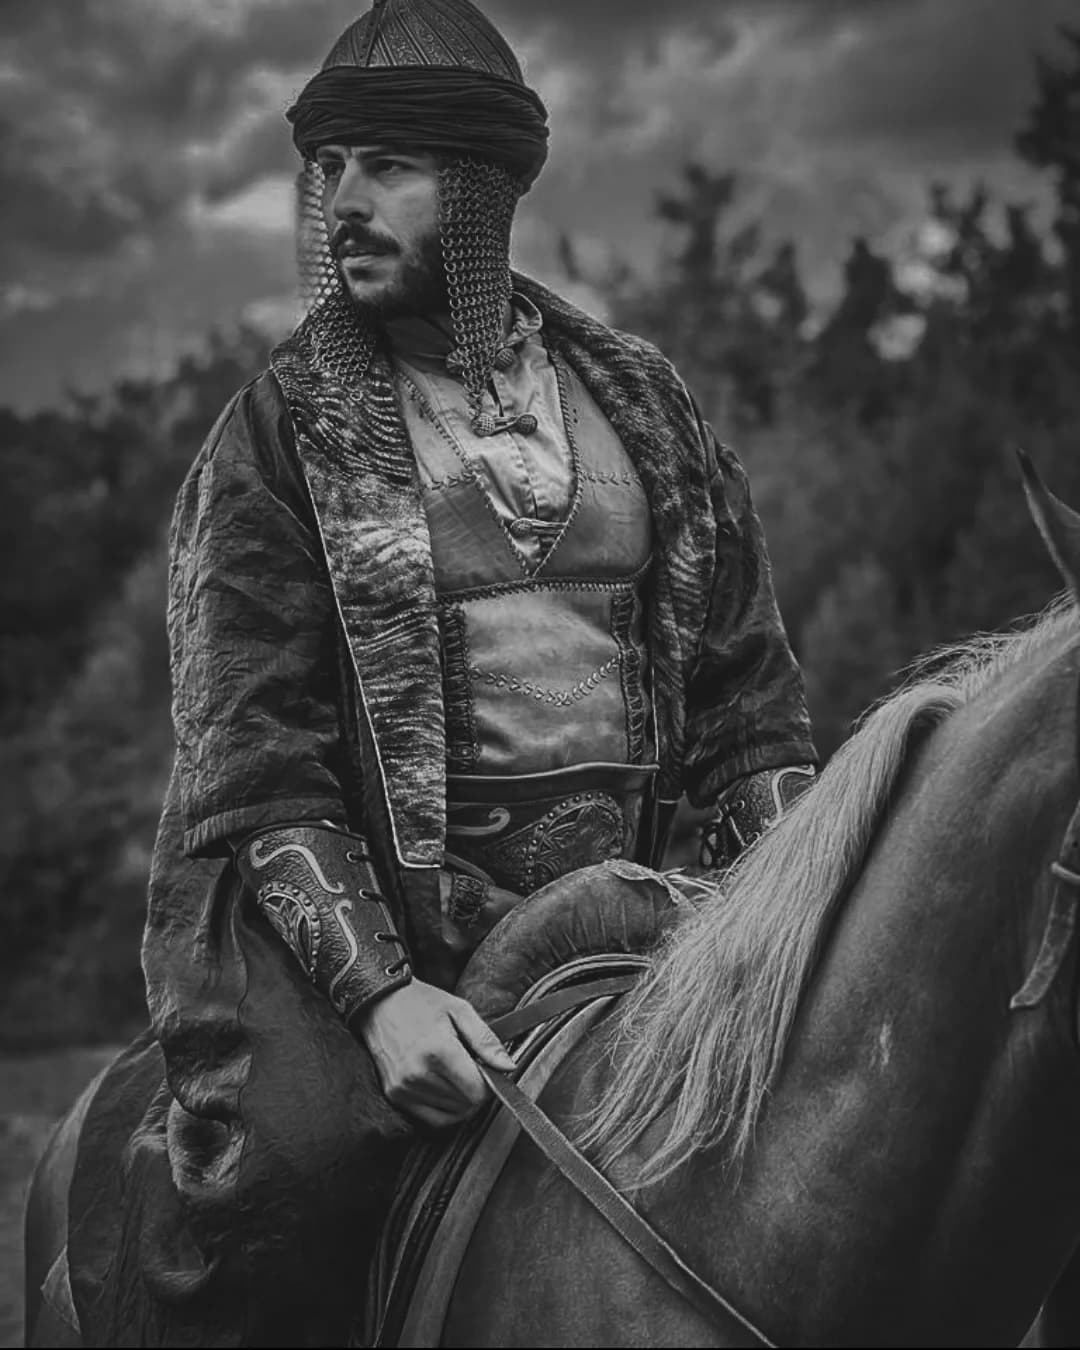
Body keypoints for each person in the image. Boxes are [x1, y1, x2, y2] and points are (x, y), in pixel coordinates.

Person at [66, 1, 816, 1344]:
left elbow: (749, 710)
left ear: (482, 190)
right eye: (329, 166)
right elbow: (254, 758)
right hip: (359, 936)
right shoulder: (282, 428)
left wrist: (806, 931)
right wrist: (378, 994)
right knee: (283, 1176)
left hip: (633, 907)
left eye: (389, 167)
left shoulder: (642, 399)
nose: (341, 203)